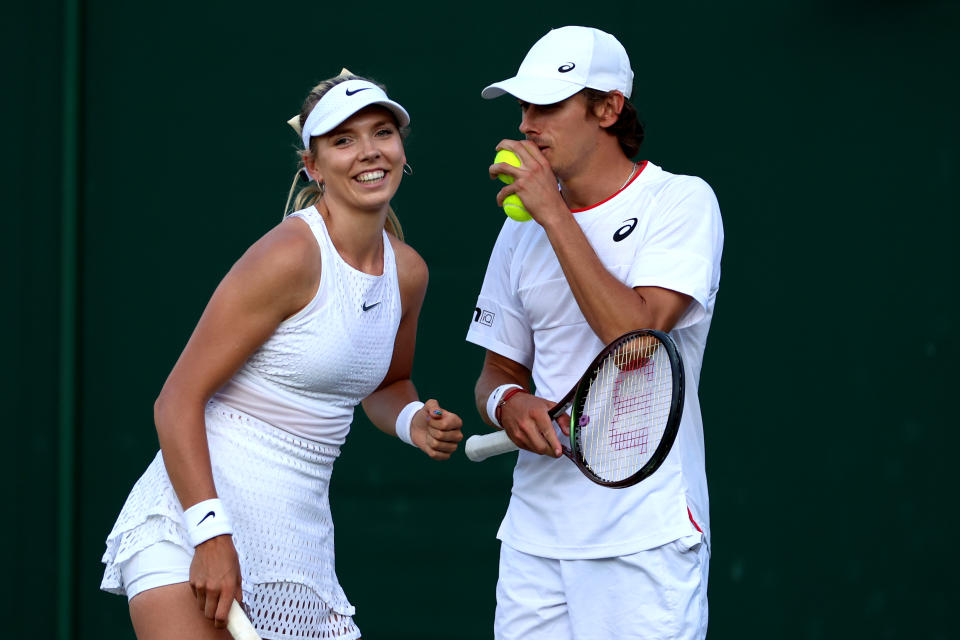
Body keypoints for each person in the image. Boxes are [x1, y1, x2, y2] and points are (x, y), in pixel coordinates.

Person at [100, 69, 464, 640]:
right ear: (313, 167)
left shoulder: (408, 272)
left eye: (381, 133)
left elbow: (388, 385)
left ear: (400, 148)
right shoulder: (288, 256)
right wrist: (211, 536)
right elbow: (175, 401)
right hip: (190, 527)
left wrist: (415, 420)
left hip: (299, 551)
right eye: (343, 140)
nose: (369, 151)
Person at [466, 26, 724, 640]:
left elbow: (636, 344)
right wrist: (509, 405)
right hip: (533, 539)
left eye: (547, 106)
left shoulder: (682, 203)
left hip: (645, 538)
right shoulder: (517, 231)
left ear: (608, 108)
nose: (527, 124)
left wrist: (553, 213)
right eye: (523, 107)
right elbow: (494, 376)